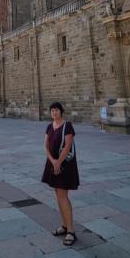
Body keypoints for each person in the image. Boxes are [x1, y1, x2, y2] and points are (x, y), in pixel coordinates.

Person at [41, 102, 80, 246]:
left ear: (61, 112)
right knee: (58, 195)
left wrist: (58, 162)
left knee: (63, 196)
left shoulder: (67, 126)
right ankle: (64, 226)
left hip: (64, 166)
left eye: (56, 110)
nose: (54, 113)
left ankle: (71, 231)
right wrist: (52, 161)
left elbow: (68, 145)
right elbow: (45, 146)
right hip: (52, 164)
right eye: (52, 110)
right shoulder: (49, 126)